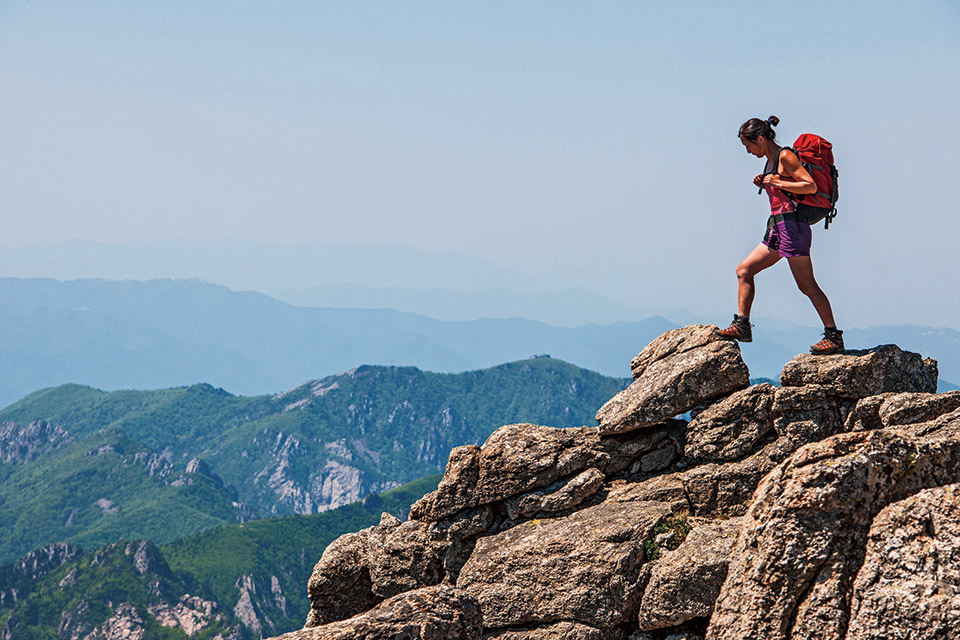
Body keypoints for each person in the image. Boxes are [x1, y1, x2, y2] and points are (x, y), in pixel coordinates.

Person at [719, 115, 844, 355]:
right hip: (777, 227)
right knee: (744, 271)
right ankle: (742, 325)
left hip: (793, 226)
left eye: (749, 146)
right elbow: (780, 187)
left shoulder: (785, 156)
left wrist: (776, 181)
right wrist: (765, 181)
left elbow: (809, 186)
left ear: (761, 138)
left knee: (807, 286)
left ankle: (833, 336)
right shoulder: (770, 160)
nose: (748, 152)